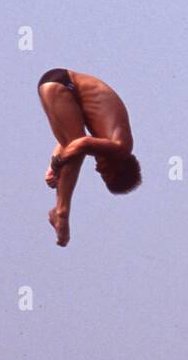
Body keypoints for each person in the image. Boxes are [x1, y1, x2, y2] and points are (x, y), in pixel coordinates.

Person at [37, 67, 141, 247]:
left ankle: (60, 210)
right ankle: (62, 211)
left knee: (73, 144)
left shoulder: (114, 145)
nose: (98, 169)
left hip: (55, 84)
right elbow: (81, 144)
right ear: (119, 166)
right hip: (64, 85)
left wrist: (54, 161)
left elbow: (69, 140)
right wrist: (57, 164)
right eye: (105, 172)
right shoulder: (120, 147)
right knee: (77, 150)